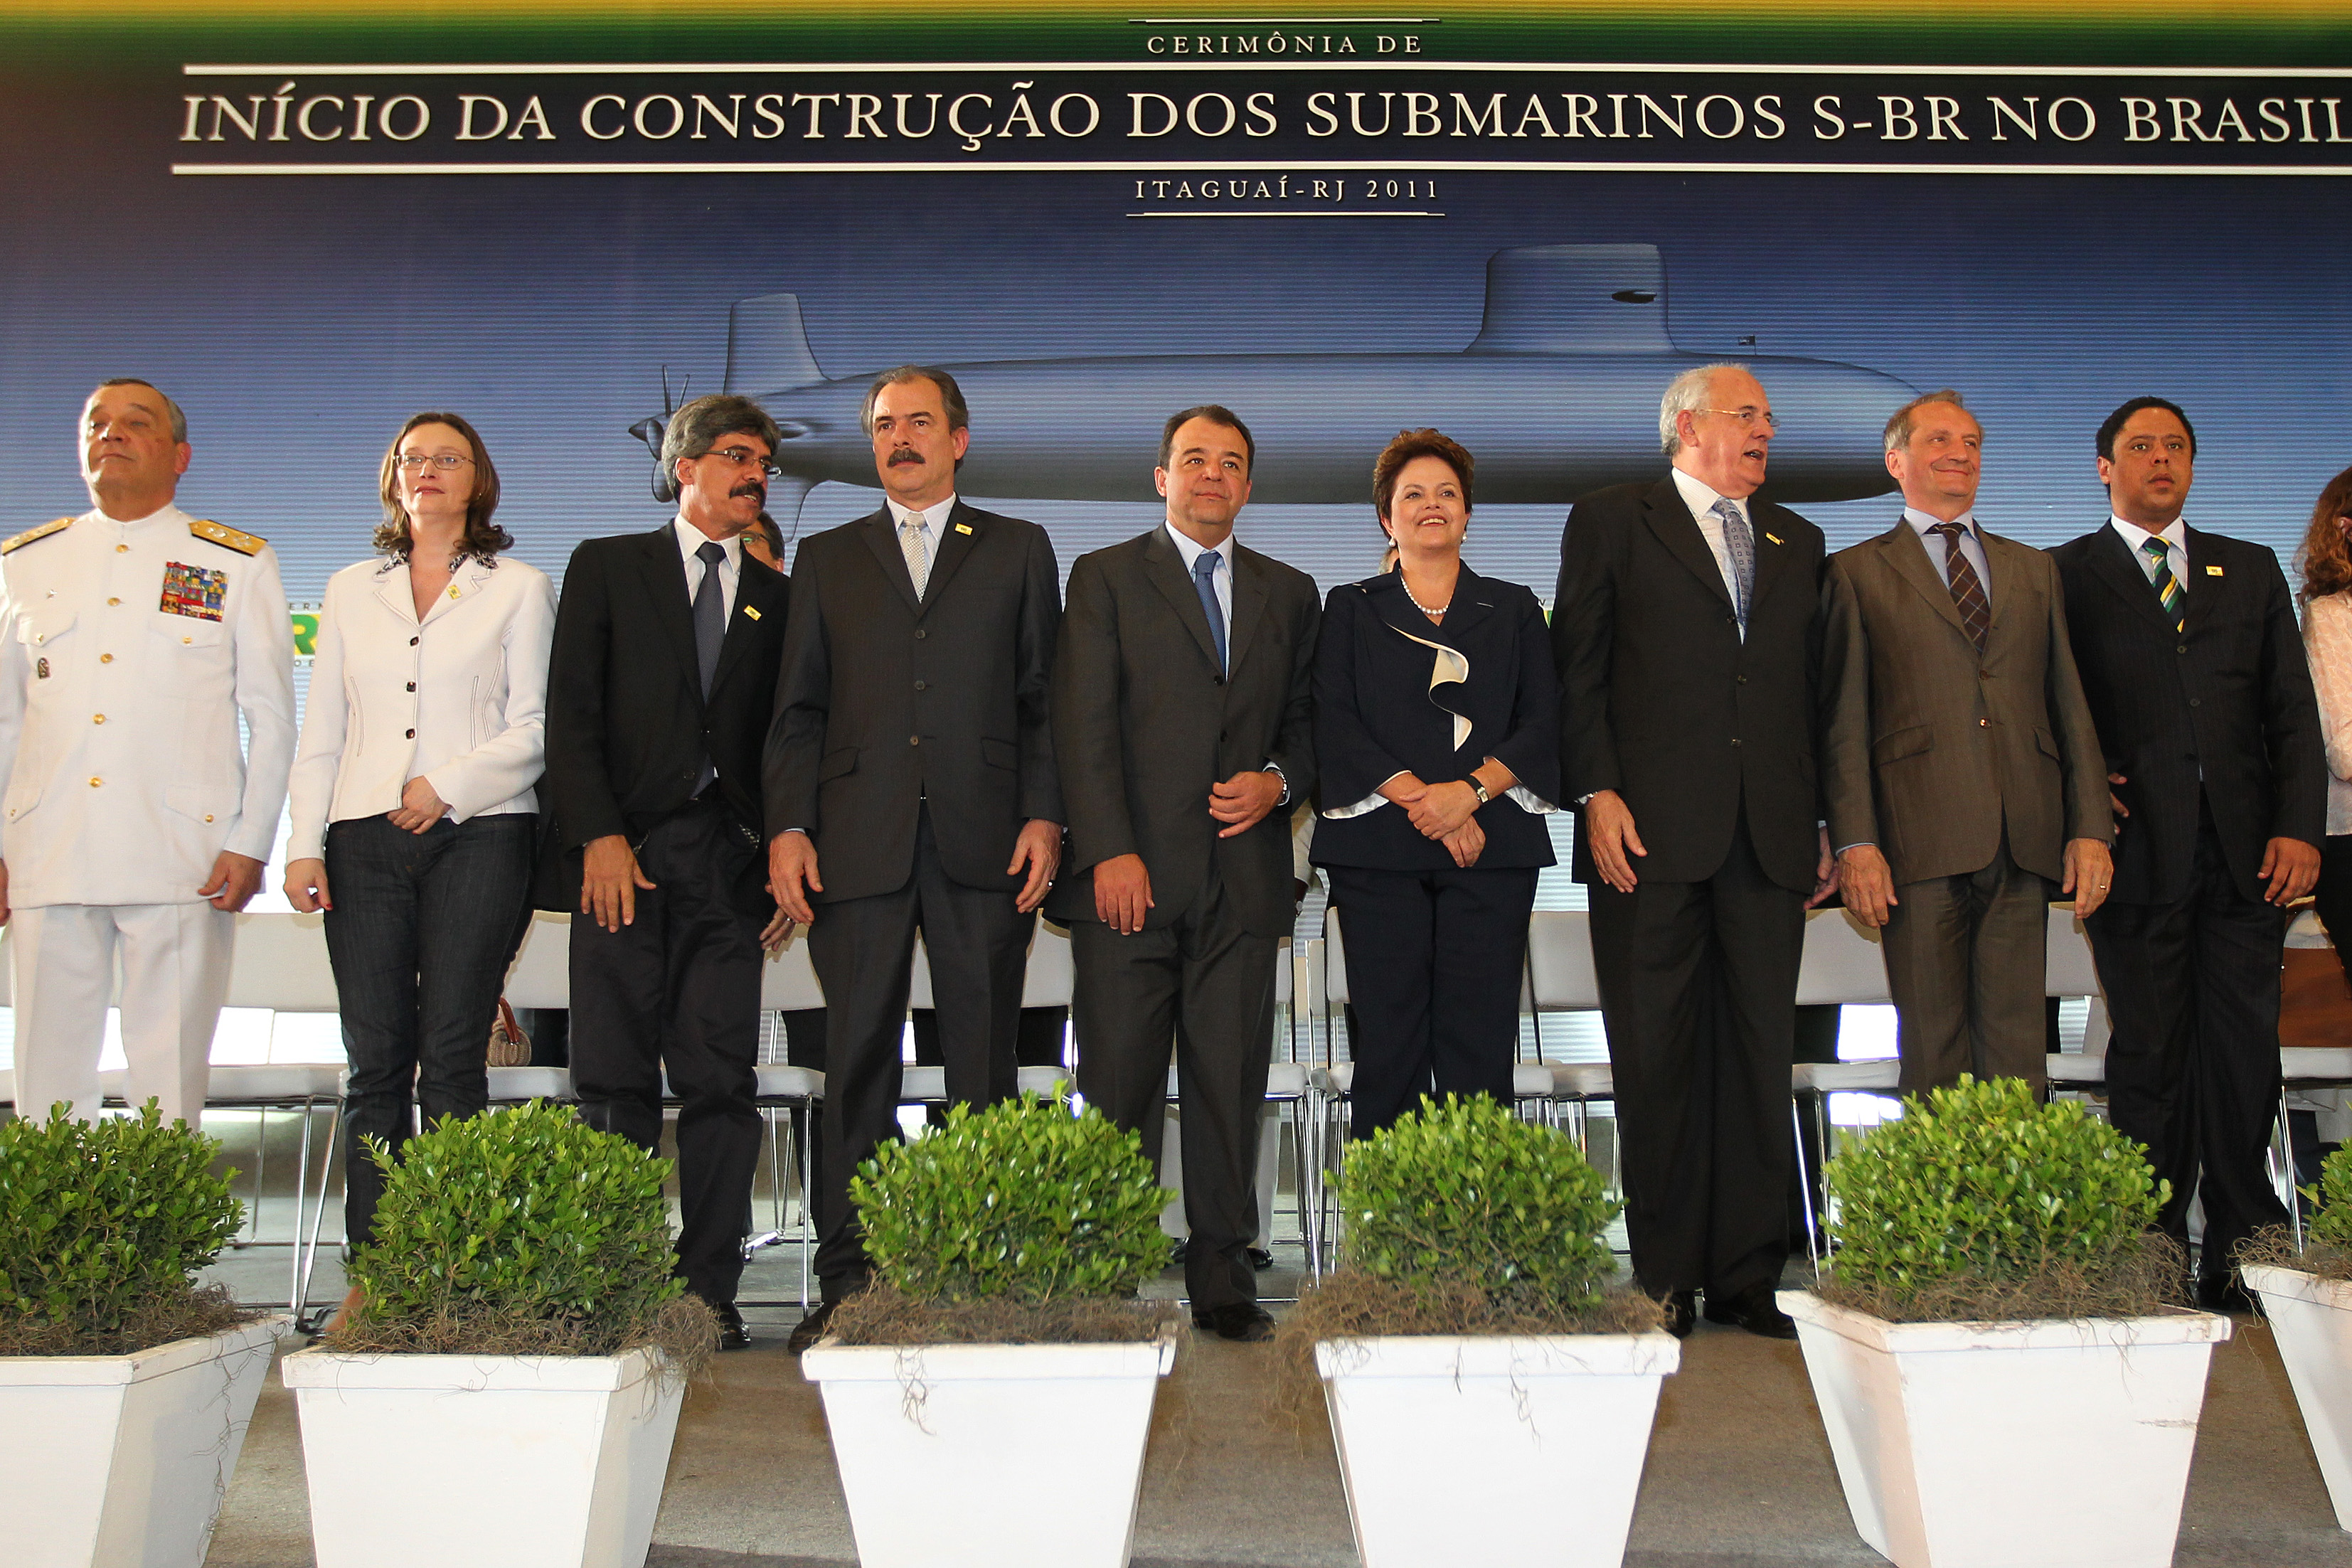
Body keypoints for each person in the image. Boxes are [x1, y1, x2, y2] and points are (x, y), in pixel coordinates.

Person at [765, 367, 1063, 1351]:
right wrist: (788, 828)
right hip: (853, 844)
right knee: (855, 1065)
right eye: (884, 426)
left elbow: (1040, 704)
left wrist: (1044, 818)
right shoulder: (827, 556)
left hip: (987, 839)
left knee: (981, 1064)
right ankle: (850, 1276)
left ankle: (973, 1272)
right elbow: (796, 710)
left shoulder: (1019, 549)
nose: (899, 440)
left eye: (918, 424)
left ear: (958, 440)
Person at [1552, 364, 1829, 1340]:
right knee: (1656, 1057)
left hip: (1768, 837)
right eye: (1746, 414)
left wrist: (1826, 821)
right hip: (1645, 838)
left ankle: (1749, 1273)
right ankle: (1664, 1277)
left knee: (1756, 1057)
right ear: (1686, 426)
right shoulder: (1610, 518)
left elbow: (1812, 694)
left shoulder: (1799, 539)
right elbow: (1574, 670)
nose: (1765, 428)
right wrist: (1594, 791)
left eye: (1766, 416)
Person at [1049, 405, 1318, 1342]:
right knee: (1116, 1084)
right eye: (1193, 460)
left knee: (1225, 1085)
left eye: (1230, 462)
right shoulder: (1103, 578)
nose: (1211, 475)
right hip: (1129, 880)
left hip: (1241, 886)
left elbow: (1306, 726)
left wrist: (1279, 780)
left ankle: (1221, 1281)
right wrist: (1108, 851)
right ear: (1159, 477)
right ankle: (1101, 1275)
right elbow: (1079, 728)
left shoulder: (1291, 593)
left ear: (1248, 485)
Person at [2055, 398, 2323, 1311]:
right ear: (2104, 468)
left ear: (2193, 468)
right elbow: (2050, 714)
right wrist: (2081, 796)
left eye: (2175, 447)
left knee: (2245, 1054)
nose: (2159, 460)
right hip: (2136, 857)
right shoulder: (2063, 574)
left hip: (2251, 859)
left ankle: (2243, 1251)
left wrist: (2300, 827)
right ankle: (2154, 1253)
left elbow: (2291, 712)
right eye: (2140, 448)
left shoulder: (2245, 570)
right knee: (2152, 1059)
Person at [540, 393, 792, 1350]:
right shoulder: (609, 567)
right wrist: (597, 834)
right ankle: (615, 1281)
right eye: (735, 454)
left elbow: (789, 739)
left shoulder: (778, 594)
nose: (754, 472)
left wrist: (780, 845)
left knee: (721, 1085)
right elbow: (571, 717)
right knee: (610, 1082)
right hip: (623, 859)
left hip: (727, 866)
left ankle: (707, 1293)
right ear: (683, 466)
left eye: (762, 459)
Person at [283, 412, 554, 1261]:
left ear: (479, 479)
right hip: (362, 837)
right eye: (413, 458)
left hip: (481, 833)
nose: (428, 470)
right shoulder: (345, 588)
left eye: (449, 458)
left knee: (450, 1056)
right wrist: (301, 843)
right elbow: (320, 727)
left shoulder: (518, 586)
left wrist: (448, 786)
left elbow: (539, 726)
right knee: (373, 1063)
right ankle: (373, 1268)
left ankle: (452, 1263)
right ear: (392, 476)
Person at [0, 379, 295, 1130]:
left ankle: (161, 1245)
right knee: (45, 1081)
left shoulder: (232, 562)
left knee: (167, 1078)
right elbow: (5, 720)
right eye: (96, 424)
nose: (112, 434)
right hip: (48, 846)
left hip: (182, 853)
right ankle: (51, 1245)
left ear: (180, 456)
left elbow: (271, 717)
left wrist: (249, 840)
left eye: (136, 423)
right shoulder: (25, 563)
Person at [1822, 390, 2113, 1094]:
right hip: (1914, 840)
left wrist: (2090, 828)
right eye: (1940, 440)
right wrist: (1855, 842)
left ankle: (2014, 1206)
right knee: (1934, 1047)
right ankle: (1945, 1206)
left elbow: (2069, 707)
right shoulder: (1853, 571)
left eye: (1973, 442)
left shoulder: (2032, 568)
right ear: (1896, 461)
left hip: (2023, 834)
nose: (1960, 453)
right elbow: (1842, 720)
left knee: (2020, 1051)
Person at [1311, 428, 1558, 1138]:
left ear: (1468, 514)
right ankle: (1386, 1240)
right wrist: (1428, 801)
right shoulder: (1350, 606)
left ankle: (1475, 1237)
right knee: (1388, 1045)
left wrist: (1470, 793)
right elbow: (1335, 719)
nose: (1431, 505)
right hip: (1379, 854)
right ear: (1386, 517)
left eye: (1446, 493)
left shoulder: (1513, 608)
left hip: (1494, 850)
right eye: (1411, 494)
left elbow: (1543, 722)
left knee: (1478, 1047)